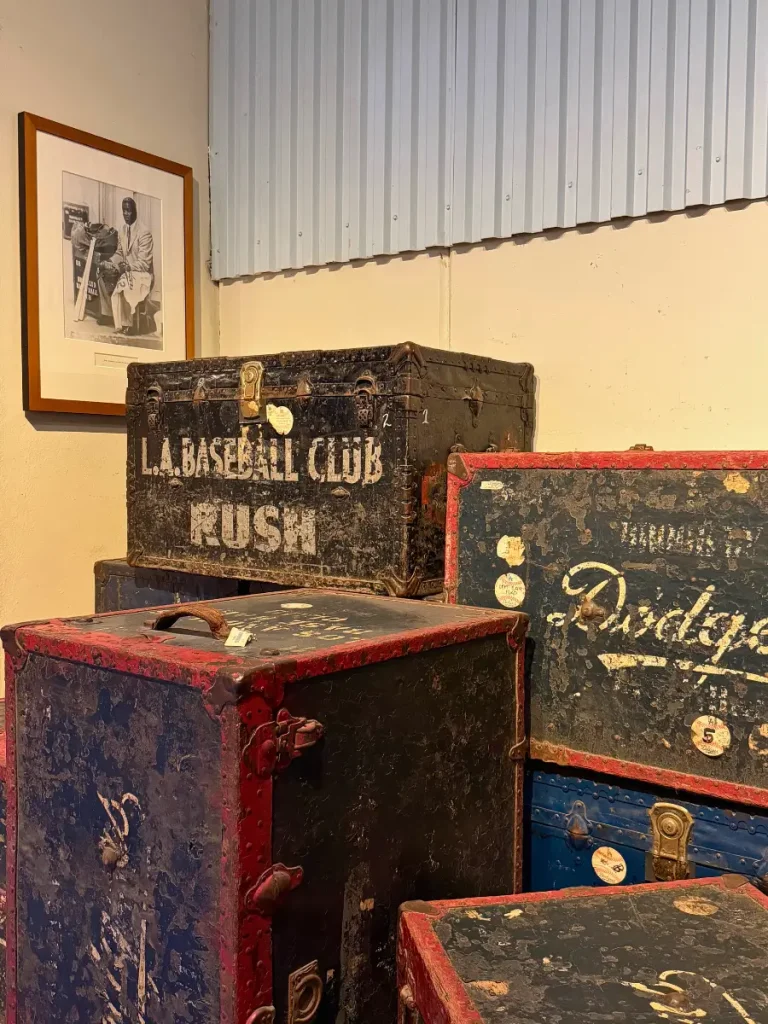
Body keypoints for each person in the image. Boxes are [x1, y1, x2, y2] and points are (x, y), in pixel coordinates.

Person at [97, 197, 154, 335]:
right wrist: (109, 262)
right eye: (124, 211)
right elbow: (120, 252)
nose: (126, 214)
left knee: (125, 280)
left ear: (135, 211)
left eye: (128, 210)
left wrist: (126, 268)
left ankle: (129, 323)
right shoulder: (122, 230)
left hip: (141, 273)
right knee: (101, 273)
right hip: (126, 269)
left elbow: (144, 263)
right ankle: (109, 314)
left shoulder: (144, 232)